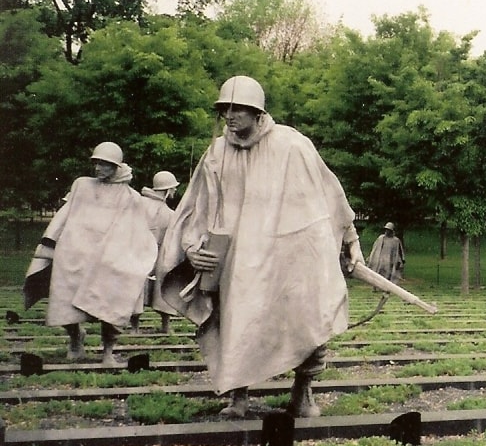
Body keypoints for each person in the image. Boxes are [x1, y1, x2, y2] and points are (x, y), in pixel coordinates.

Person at [157, 75, 363, 418]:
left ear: (257, 112)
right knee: (234, 321)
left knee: (308, 316)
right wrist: (192, 247)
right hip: (238, 261)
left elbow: (329, 194)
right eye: (226, 109)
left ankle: (303, 390)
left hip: (290, 253)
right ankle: (238, 396)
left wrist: (351, 239)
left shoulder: (292, 146)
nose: (230, 116)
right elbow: (198, 206)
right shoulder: (217, 153)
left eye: (238, 109)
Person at [23, 142, 158, 366]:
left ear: (116, 166)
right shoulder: (82, 186)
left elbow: (137, 230)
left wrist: (135, 259)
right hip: (75, 254)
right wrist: (50, 242)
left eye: (104, 164)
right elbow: (65, 213)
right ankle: (76, 340)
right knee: (65, 301)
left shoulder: (131, 197)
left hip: (109, 259)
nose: (98, 168)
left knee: (112, 304)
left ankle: (108, 352)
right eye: (96, 163)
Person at [131, 171, 181, 334]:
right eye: (173, 189)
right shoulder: (169, 214)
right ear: (167, 190)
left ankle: (134, 327)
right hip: (152, 252)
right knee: (162, 285)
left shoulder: (139, 204)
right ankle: (165, 325)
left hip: (141, 252)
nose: (174, 192)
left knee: (138, 287)